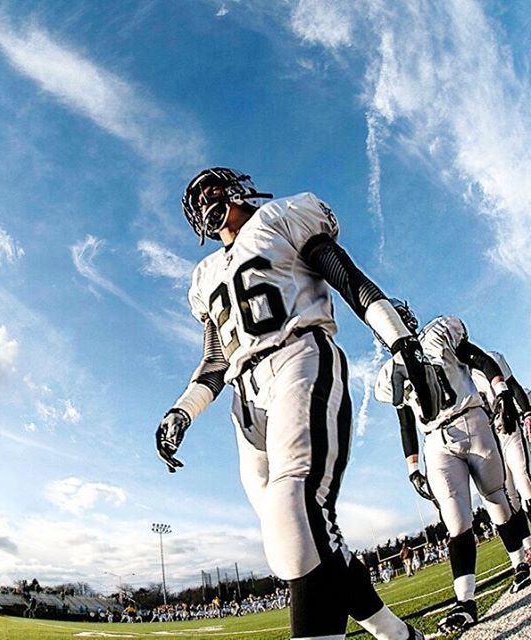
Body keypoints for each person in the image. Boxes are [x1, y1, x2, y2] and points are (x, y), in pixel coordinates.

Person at [155, 167, 442, 640]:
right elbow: (214, 359)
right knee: (292, 544)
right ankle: (398, 635)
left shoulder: (280, 217)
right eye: (197, 195)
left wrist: (402, 342)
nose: (207, 198)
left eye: (212, 187)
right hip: (245, 399)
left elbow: (346, 277)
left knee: (296, 512)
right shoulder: (203, 275)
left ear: (237, 186)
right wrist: (182, 410)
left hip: (298, 357)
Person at [375, 306, 530, 633]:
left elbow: (478, 359)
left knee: (497, 500)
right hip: (437, 441)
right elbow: (405, 422)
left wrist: (500, 389)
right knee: (456, 522)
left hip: (472, 421)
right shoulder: (392, 371)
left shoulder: (439, 334)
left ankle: (521, 563)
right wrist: (413, 467)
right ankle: (465, 602)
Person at [471, 351, 531, 557]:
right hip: (489, 441)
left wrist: (527, 412)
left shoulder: (490, 358)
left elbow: (512, 384)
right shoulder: (456, 375)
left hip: (509, 428)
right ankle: (527, 547)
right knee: (509, 495)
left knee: (524, 481)